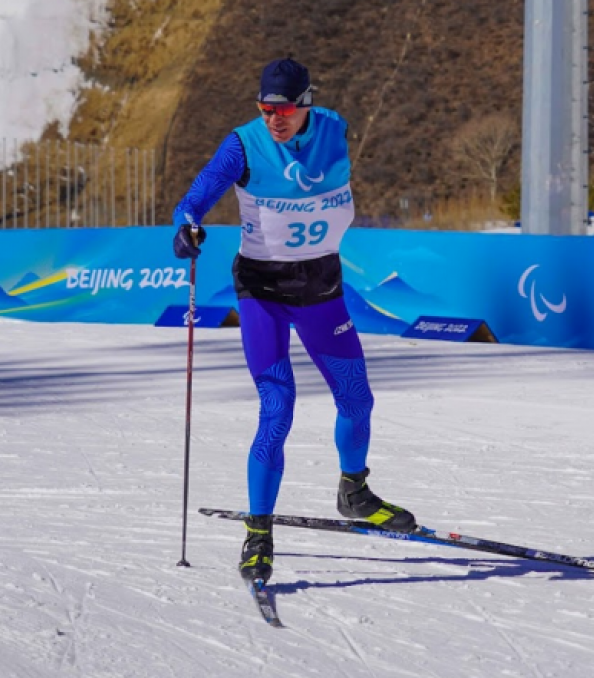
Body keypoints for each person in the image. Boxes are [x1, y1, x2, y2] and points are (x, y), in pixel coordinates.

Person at [171, 58, 417, 584]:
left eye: (282, 109)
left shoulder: (334, 127)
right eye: (264, 108)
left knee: (357, 397)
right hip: (263, 294)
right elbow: (195, 196)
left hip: (322, 288)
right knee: (277, 407)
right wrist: (188, 226)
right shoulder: (243, 144)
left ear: (305, 103)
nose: (273, 119)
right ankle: (258, 534)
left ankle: (354, 491)